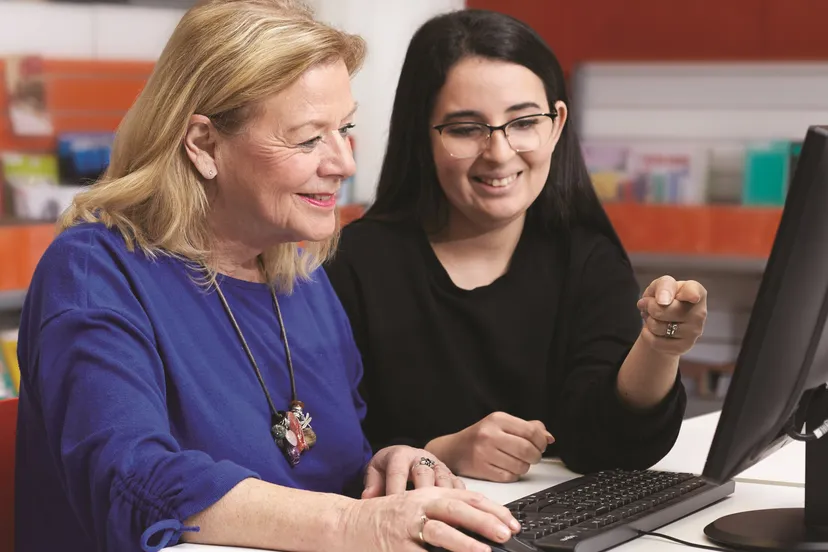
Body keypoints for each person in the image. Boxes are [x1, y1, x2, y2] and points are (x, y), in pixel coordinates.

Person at [14, 2, 521, 552]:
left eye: (344, 129)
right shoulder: (94, 270)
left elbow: (322, 471)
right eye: (308, 139)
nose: (344, 163)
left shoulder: (301, 278)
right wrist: (356, 523)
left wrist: (383, 469)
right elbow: (133, 480)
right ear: (203, 144)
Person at [324, 9, 708, 483]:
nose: (500, 153)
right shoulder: (351, 267)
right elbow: (319, 452)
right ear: (421, 136)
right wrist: (440, 451)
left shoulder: (587, 258)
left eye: (523, 122)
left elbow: (607, 446)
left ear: (556, 124)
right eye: (466, 129)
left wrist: (658, 347)